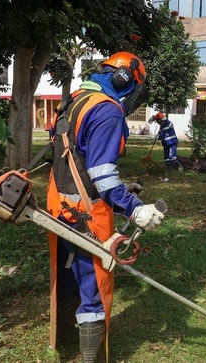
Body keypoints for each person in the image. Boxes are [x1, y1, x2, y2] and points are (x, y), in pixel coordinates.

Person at [46, 51, 165, 363]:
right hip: (86, 209)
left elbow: (75, 155)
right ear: (125, 80)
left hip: (59, 202)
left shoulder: (76, 99)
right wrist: (134, 208)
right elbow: (101, 172)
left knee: (69, 270)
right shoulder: (109, 110)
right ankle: (91, 357)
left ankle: (68, 340)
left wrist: (118, 189)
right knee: (95, 279)